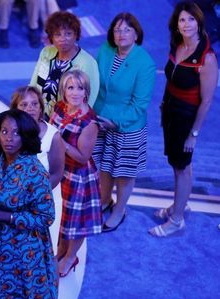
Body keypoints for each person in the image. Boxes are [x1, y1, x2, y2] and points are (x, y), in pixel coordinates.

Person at [0, 110, 58, 299]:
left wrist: (5, 215)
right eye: (4, 131)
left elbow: (46, 217)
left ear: (26, 136)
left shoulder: (35, 171)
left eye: (16, 133)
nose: (8, 138)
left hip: (25, 250)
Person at [149, 1, 218, 237]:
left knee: (182, 167)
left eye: (191, 19)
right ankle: (180, 204)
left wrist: (193, 134)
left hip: (187, 119)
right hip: (171, 113)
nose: (186, 24)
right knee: (177, 164)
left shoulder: (207, 58)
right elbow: (171, 79)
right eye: (182, 19)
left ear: (199, 22)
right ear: (176, 24)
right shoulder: (177, 45)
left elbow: (207, 101)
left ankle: (177, 219)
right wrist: (165, 106)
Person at [92, 12, 156, 232]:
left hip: (127, 126)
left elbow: (140, 105)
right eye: (117, 30)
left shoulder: (144, 63)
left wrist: (115, 122)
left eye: (127, 30)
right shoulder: (105, 50)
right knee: (105, 165)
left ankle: (119, 210)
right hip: (101, 119)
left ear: (136, 35)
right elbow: (94, 83)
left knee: (124, 172)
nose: (121, 34)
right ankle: (104, 200)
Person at [10, 86, 64, 299]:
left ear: (42, 107)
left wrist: (35, 196)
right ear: (15, 108)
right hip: (17, 205)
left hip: (46, 204)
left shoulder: (53, 136)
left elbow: (57, 173)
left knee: (47, 258)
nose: (30, 109)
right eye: (24, 104)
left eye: (34, 104)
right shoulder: (9, 133)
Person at [50, 70, 102, 276]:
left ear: (86, 92)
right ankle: (62, 248)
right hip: (60, 170)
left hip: (78, 176)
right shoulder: (60, 107)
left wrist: (59, 141)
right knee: (63, 217)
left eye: (80, 88)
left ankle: (71, 257)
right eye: (70, 87)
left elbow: (82, 157)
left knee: (77, 222)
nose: (74, 93)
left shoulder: (89, 122)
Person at [30, 11, 99, 120]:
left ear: (76, 35)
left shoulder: (87, 63)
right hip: (40, 118)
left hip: (67, 123)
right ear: (51, 37)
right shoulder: (46, 52)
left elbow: (89, 101)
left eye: (68, 33)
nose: (63, 39)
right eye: (58, 34)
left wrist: (66, 124)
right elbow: (33, 85)